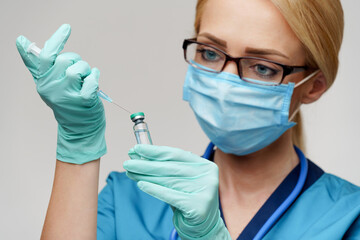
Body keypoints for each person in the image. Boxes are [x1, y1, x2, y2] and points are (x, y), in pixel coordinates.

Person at [16, 0, 360, 239]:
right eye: (210, 53)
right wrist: (78, 145)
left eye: (263, 67)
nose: (225, 84)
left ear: (313, 87)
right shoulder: (130, 199)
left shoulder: (347, 219)